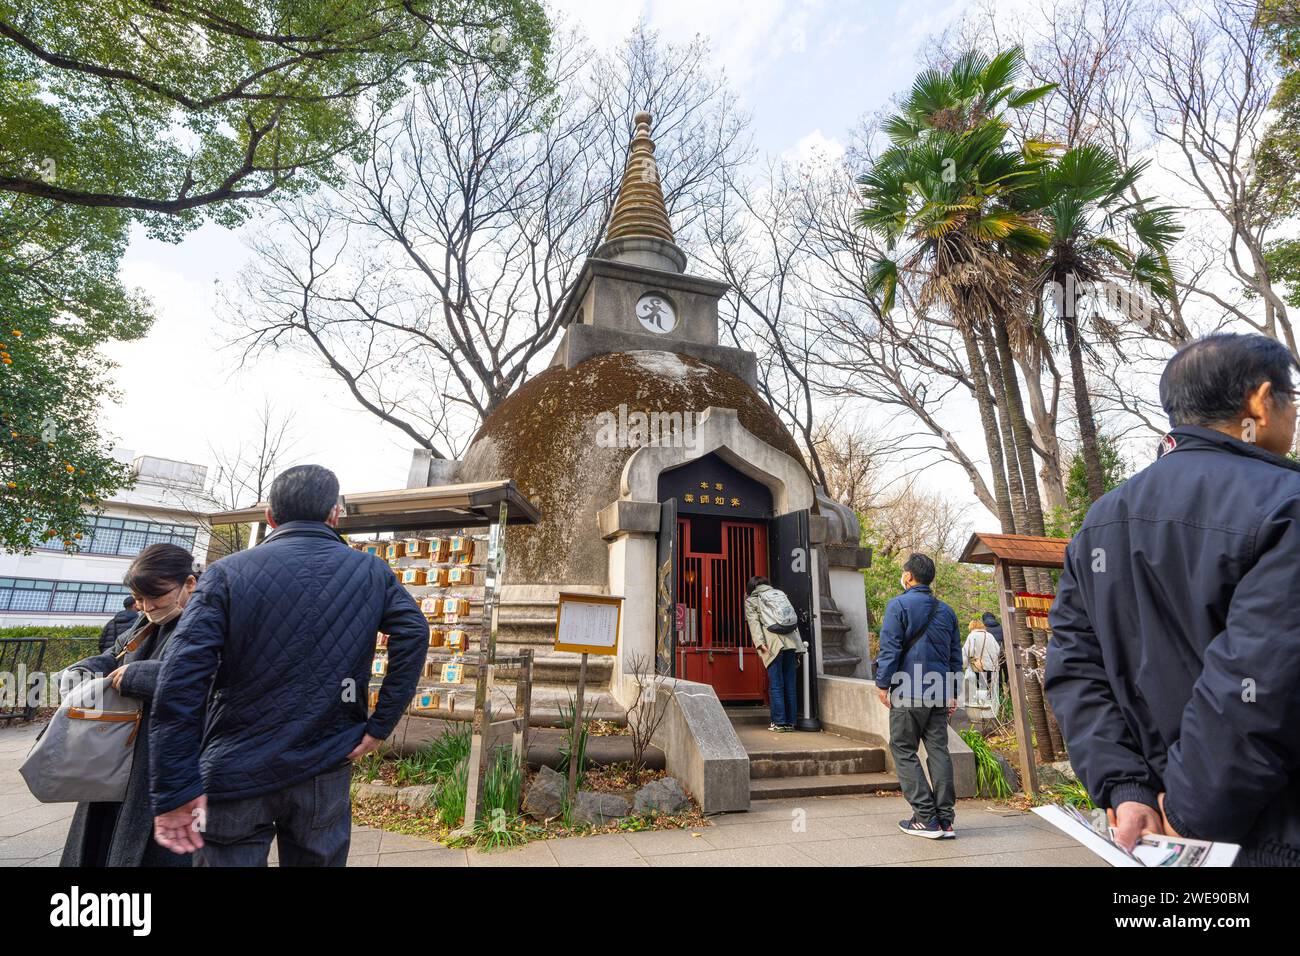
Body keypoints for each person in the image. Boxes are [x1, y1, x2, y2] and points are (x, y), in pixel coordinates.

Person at [1046, 333, 1300, 866]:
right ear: (1259, 400)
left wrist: (1127, 791)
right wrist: (1186, 815)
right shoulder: (1287, 507)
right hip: (1270, 831)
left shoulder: (1100, 522)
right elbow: (1261, 688)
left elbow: (1075, 670)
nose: (1294, 412)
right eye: (1291, 395)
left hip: (1155, 835)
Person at [148, 464, 428, 866]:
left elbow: (179, 681)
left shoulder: (226, 573)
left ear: (270, 517)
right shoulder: (371, 572)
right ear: (335, 514)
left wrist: (175, 789)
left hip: (234, 768)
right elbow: (415, 633)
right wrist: (380, 725)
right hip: (325, 763)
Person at [59, 544, 199, 867]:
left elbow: (206, 676)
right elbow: (115, 656)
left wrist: (138, 676)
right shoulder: (146, 620)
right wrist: (83, 670)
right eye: (140, 600)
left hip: (167, 764)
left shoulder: (211, 621)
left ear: (189, 584)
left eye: (157, 597)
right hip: (118, 757)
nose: (148, 607)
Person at [874, 553, 962, 839]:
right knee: (938, 751)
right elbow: (954, 656)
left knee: (902, 748)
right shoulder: (947, 611)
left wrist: (882, 684)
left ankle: (925, 818)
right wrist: (954, 692)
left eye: (904, 572)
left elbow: (890, 649)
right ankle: (945, 820)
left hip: (908, 690)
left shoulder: (898, 605)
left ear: (909, 576)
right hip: (938, 692)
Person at [743, 576, 803, 732]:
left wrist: (760, 643)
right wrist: (799, 648)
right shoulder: (780, 594)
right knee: (790, 684)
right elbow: (792, 621)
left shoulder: (752, 600)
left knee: (776, 684)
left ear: (751, 588)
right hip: (791, 644)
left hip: (772, 645)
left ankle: (779, 722)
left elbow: (754, 623)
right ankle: (790, 722)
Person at [961, 620, 1000, 720]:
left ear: (971, 626)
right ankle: (990, 714)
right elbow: (997, 650)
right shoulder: (990, 636)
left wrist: (964, 664)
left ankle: (980, 716)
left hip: (978, 667)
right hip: (991, 667)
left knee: (980, 690)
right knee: (989, 691)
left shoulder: (972, 636)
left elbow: (966, 652)